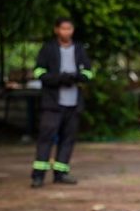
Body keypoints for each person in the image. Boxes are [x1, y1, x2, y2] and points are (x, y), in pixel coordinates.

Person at [30, 17, 94, 188]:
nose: (66, 32)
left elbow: (89, 72)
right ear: (56, 30)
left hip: (73, 104)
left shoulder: (79, 49)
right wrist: (58, 79)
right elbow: (39, 71)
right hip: (52, 104)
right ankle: (38, 176)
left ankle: (61, 172)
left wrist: (78, 77)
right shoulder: (48, 48)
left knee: (68, 138)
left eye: (69, 29)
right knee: (46, 138)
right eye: (63, 29)